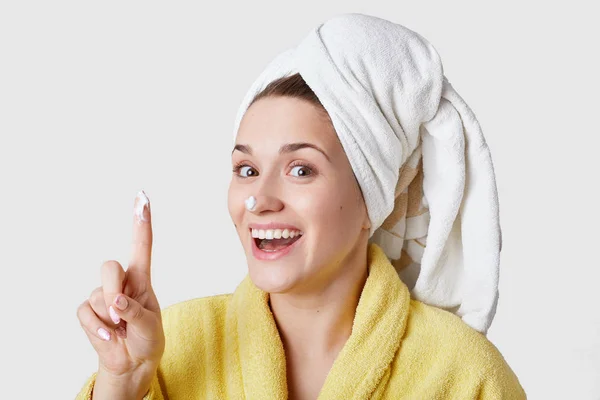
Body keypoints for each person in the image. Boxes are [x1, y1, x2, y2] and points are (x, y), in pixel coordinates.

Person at [76, 14, 526, 400]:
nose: (260, 200)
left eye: (300, 170)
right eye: (247, 169)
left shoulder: (463, 375)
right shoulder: (170, 348)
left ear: (371, 201)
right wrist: (123, 383)